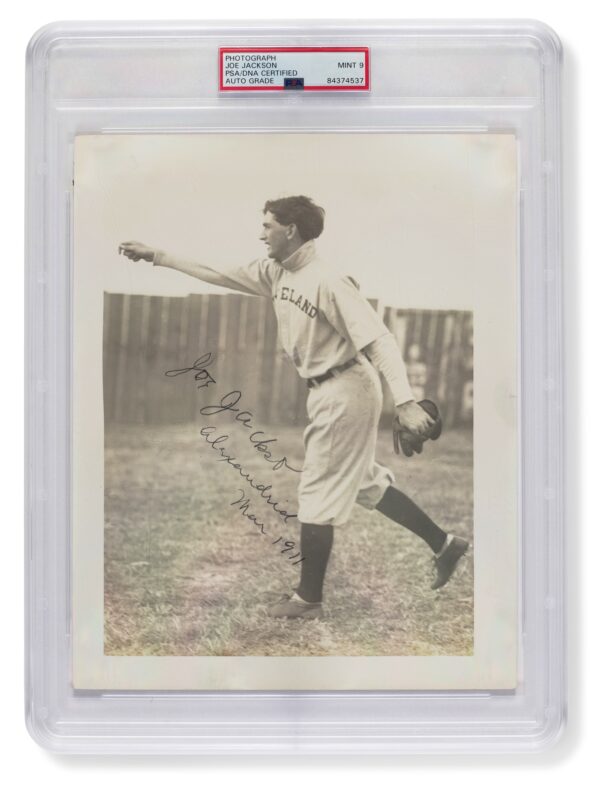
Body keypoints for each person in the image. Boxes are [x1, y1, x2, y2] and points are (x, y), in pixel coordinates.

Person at [119, 195, 468, 620]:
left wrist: (407, 401)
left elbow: (379, 340)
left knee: (318, 489)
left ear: (291, 230)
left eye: (268, 225)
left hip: (347, 386)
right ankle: (445, 545)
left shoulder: (328, 280)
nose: (261, 233)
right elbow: (217, 271)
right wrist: (158, 256)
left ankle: (308, 599)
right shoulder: (274, 273)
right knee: (363, 484)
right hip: (327, 389)